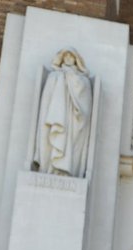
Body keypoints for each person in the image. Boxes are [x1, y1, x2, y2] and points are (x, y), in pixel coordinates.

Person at [34, 48, 93, 178]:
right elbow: (46, 102)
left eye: (71, 56)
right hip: (55, 117)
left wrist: (79, 110)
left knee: (69, 143)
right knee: (55, 139)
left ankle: (67, 169)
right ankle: (50, 167)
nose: (67, 58)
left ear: (76, 60)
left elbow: (85, 105)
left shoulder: (82, 80)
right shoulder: (54, 76)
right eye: (65, 55)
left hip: (72, 120)